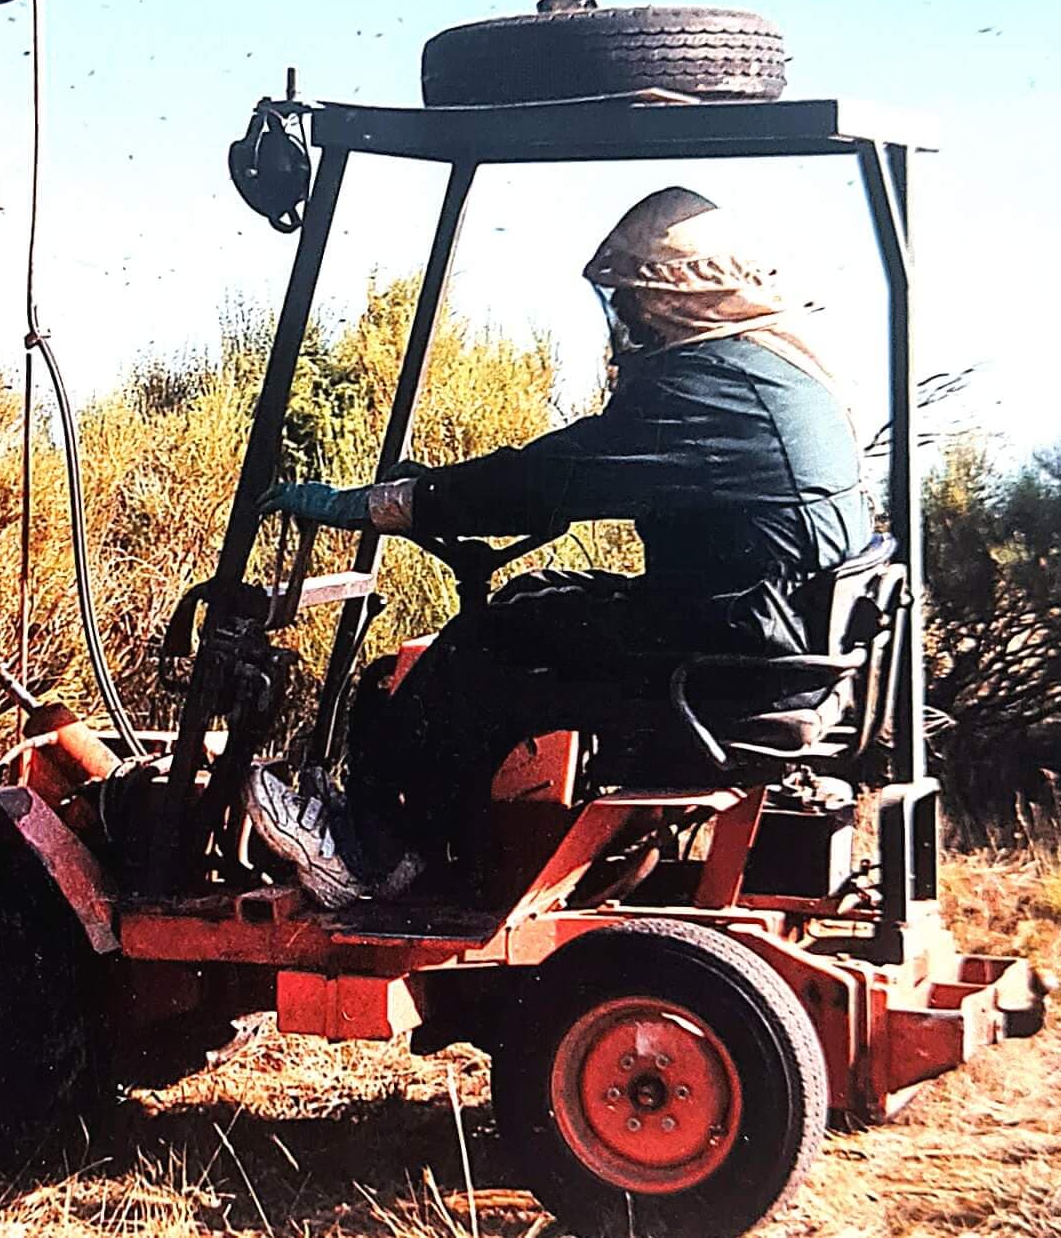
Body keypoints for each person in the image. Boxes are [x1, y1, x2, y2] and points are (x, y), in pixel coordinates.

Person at [245, 187, 871, 908]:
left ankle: (369, 854)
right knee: (528, 602)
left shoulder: (705, 388)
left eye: (634, 302)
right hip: (766, 642)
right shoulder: (780, 370)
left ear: (672, 301)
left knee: (484, 649)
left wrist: (381, 505)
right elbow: (571, 476)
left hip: (726, 665)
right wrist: (445, 493)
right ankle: (438, 846)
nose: (627, 320)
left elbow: (550, 479)